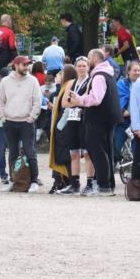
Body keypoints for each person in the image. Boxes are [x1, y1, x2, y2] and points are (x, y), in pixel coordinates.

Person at [64, 49, 123, 196]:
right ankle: (108, 185)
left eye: (89, 58)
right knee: (107, 151)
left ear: (95, 59)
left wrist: (80, 100)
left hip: (99, 119)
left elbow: (96, 98)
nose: (88, 61)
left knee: (98, 152)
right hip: (108, 118)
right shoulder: (108, 73)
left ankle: (103, 186)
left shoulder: (98, 76)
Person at [0, 55, 42, 193]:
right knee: (12, 153)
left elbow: (37, 101)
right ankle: (13, 180)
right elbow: (0, 101)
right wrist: (3, 117)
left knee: (30, 152)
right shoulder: (5, 81)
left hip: (26, 122)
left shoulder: (33, 80)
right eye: (24, 65)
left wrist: (31, 117)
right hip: (10, 122)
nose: (27, 67)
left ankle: (34, 181)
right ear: (16, 65)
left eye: (28, 64)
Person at [55, 57, 94, 195]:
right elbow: (64, 103)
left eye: (84, 65)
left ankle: (90, 183)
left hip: (85, 119)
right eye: (79, 66)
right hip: (72, 119)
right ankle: (74, 183)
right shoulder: (72, 83)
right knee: (74, 153)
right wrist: (78, 101)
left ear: (88, 67)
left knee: (88, 153)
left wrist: (75, 100)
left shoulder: (91, 81)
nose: (82, 68)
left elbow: (89, 100)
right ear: (75, 68)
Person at [49, 64, 77, 192]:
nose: (56, 76)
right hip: (62, 126)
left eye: (60, 74)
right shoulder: (62, 87)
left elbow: (67, 108)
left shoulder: (69, 85)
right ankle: (62, 181)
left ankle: (69, 182)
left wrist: (59, 127)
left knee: (65, 155)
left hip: (64, 126)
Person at [115, 61, 140, 164]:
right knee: (115, 147)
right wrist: (123, 111)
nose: (137, 72)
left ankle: (136, 177)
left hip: (137, 122)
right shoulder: (121, 84)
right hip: (123, 121)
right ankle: (109, 177)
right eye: (134, 70)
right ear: (128, 72)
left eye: (139, 70)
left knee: (137, 150)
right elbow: (116, 100)